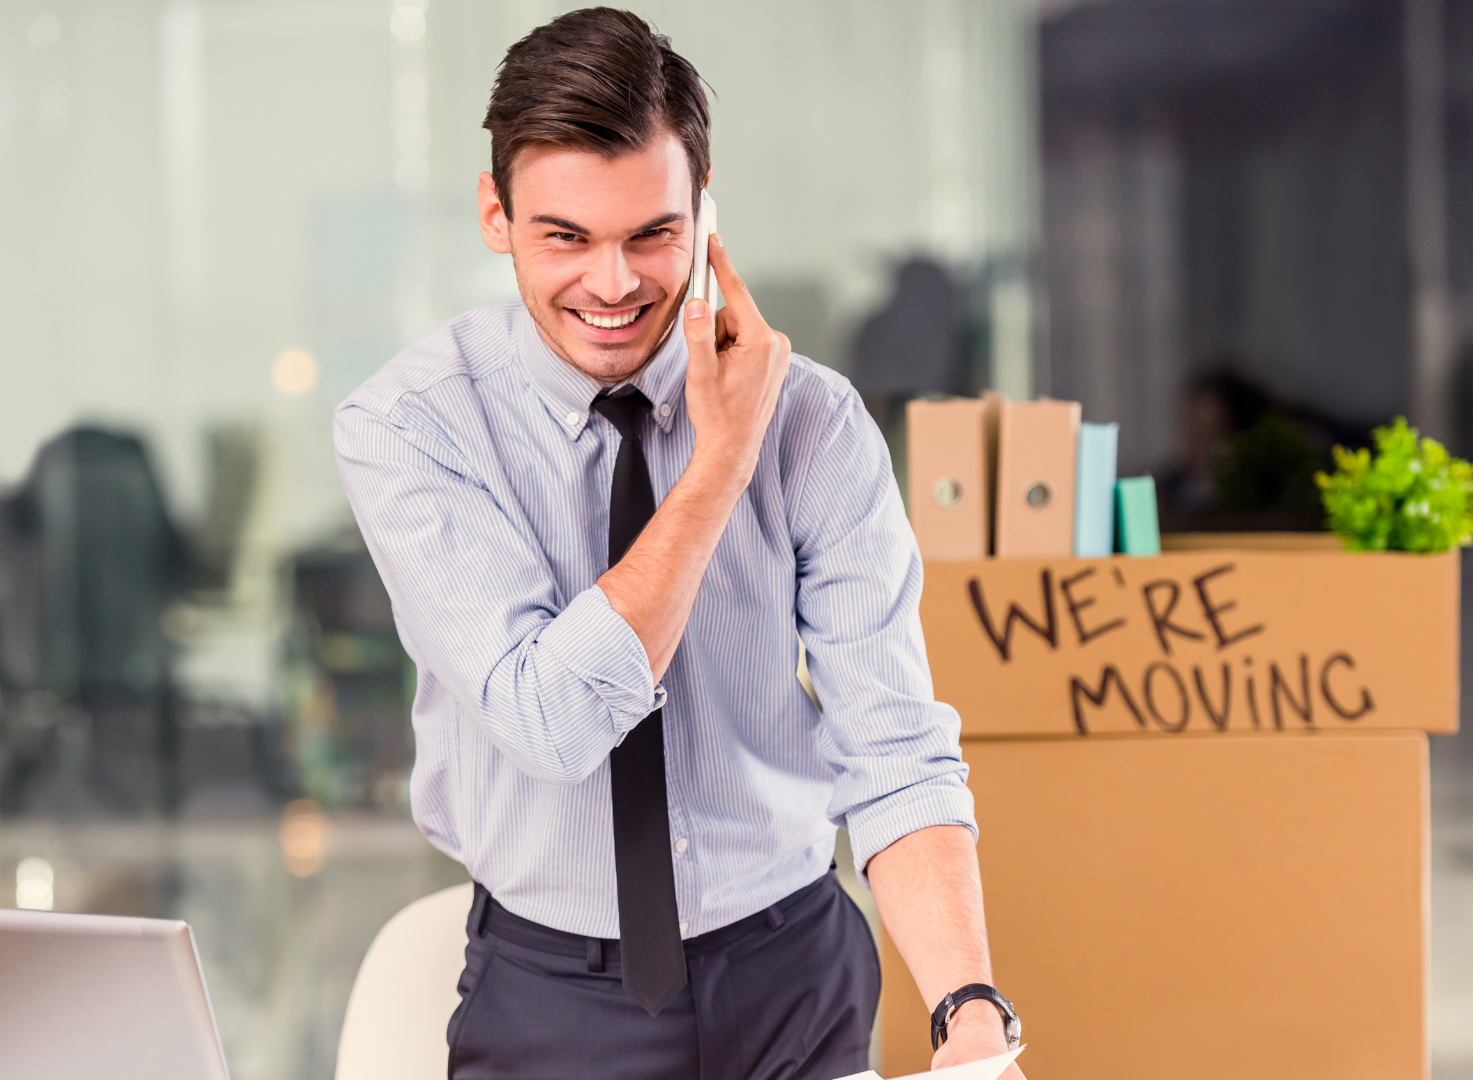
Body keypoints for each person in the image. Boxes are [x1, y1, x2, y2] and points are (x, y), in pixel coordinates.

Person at [334, 9, 1025, 1078]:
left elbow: (891, 750)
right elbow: (553, 721)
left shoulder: (819, 424)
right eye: (565, 236)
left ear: (705, 215)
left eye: (651, 234)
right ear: (496, 215)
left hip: (797, 974)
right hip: (554, 997)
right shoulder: (413, 429)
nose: (612, 286)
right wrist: (716, 468)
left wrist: (970, 1016)